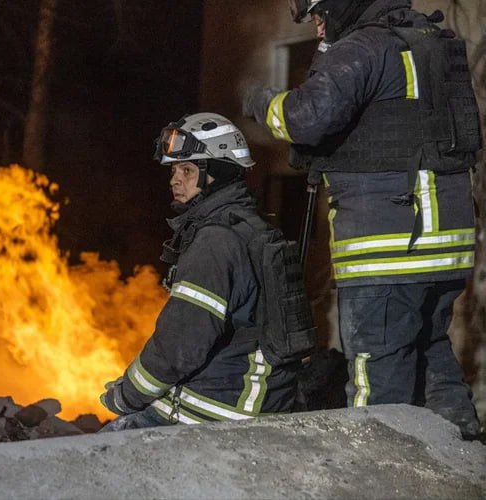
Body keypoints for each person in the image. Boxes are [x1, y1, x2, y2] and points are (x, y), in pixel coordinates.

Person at [243, 0, 482, 438]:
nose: (318, 28)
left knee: (376, 386)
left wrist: (261, 102)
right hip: (444, 246)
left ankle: (378, 467)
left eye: (319, 15)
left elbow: (305, 117)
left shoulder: (363, 47)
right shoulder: (429, 41)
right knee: (430, 355)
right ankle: (462, 453)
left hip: (388, 245)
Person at [99, 112, 311, 430]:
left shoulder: (216, 242)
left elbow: (178, 346)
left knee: (97, 449)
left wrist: (125, 396)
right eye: (173, 170)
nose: (174, 180)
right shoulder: (250, 230)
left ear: (219, 172)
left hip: (212, 413)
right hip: (254, 405)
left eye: (187, 170)